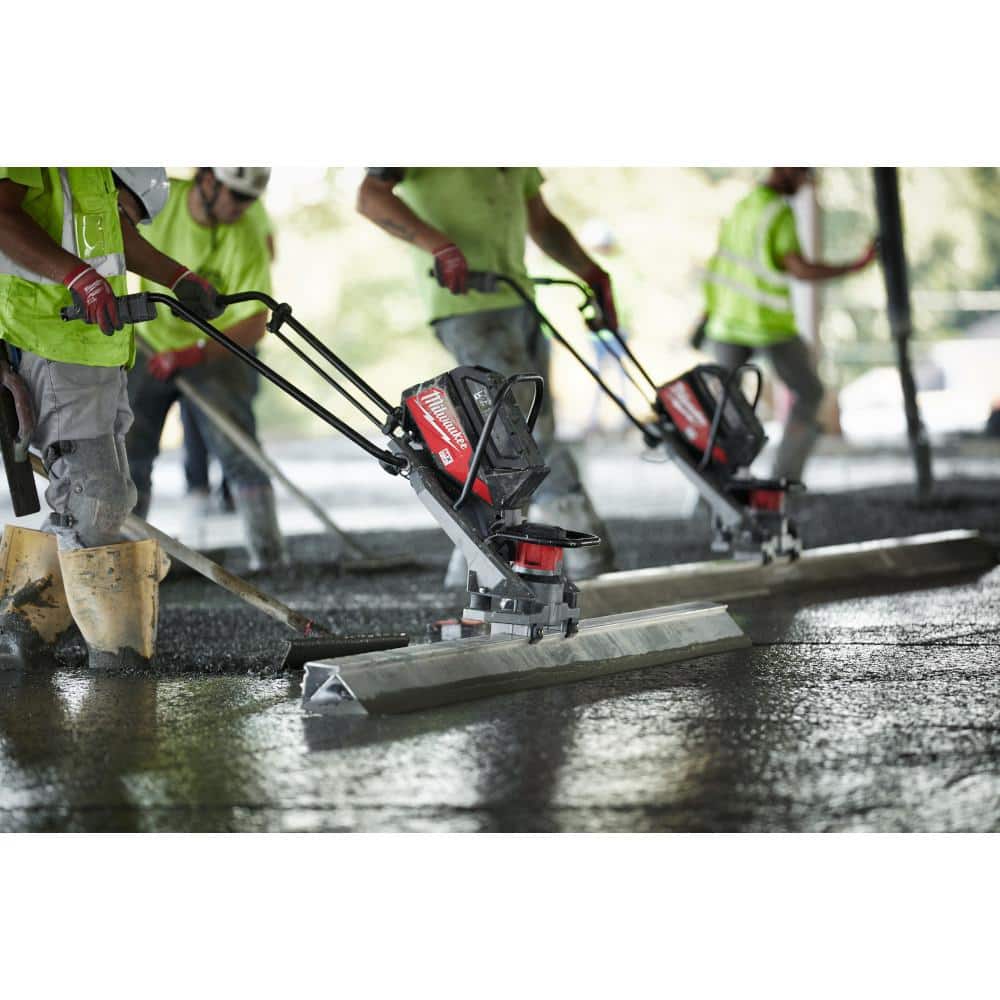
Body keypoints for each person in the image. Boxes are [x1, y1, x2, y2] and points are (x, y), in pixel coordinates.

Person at [0, 167, 221, 669]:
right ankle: (117, 661)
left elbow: (110, 236)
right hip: (50, 338)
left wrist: (178, 277)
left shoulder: (92, 161)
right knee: (96, 496)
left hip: (97, 346)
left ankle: (21, 633)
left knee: (99, 497)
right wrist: (77, 277)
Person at [357, 167, 618, 583]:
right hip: (467, 305)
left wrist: (590, 272)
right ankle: (589, 556)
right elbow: (371, 196)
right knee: (521, 436)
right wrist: (438, 245)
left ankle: (476, 565)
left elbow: (541, 221)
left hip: (518, 298)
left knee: (513, 439)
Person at [126, 167, 288, 571]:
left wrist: (193, 354)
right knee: (129, 451)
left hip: (216, 351)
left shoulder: (245, 234)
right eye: (238, 196)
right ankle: (124, 559)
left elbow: (255, 321)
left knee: (239, 449)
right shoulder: (158, 202)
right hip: (149, 345)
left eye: (251, 200)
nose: (244, 207)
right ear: (209, 181)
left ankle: (270, 559)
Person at [700, 167, 878, 480]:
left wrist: (706, 316)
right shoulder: (778, 213)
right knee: (809, 393)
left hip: (726, 322)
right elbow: (801, 270)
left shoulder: (742, 207)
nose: (805, 182)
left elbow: (718, 266)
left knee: (725, 408)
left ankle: (718, 482)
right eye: (802, 174)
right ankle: (784, 479)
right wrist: (854, 266)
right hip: (767, 324)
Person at [179, 196, 274, 513]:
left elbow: (269, 250)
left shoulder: (250, 210)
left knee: (233, 423)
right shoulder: (172, 203)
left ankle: (232, 493)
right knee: (192, 416)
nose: (235, 208)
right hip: (172, 338)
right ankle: (197, 488)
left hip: (233, 336)